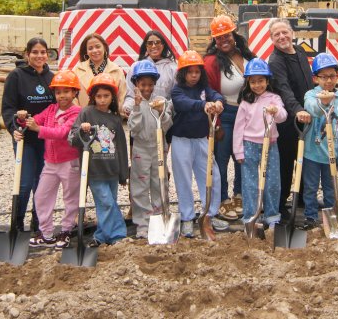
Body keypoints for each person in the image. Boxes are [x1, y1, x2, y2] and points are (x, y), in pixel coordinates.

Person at [15, 70, 82, 249]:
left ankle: (67, 230)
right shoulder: (51, 110)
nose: (62, 96)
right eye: (58, 92)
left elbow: (62, 133)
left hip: (70, 162)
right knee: (41, 196)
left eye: (67, 91)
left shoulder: (76, 113)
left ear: (75, 92)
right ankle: (46, 233)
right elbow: (35, 120)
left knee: (71, 198)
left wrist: (38, 129)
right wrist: (24, 120)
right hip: (50, 163)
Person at [168, 50, 229, 238]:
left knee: (213, 176)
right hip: (181, 140)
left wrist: (218, 102)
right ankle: (187, 217)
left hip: (202, 139)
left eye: (197, 72)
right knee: (183, 179)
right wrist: (203, 105)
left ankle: (210, 214)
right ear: (182, 73)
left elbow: (217, 95)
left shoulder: (205, 89)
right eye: (189, 72)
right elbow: (183, 103)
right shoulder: (177, 90)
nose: (194, 76)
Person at [204, 15, 256, 221]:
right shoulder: (211, 62)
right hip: (225, 114)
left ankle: (240, 196)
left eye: (227, 35)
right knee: (222, 159)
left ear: (234, 35)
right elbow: (207, 89)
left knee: (243, 158)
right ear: (214, 41)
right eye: (219, 38)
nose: (223, 40)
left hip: (247, 114)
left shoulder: (246, 56)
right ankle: (223, 199)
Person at [1, 37, 55, 232]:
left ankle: (38, 221)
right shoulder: (16, 76)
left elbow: (58, 107)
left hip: (46, 139)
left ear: (47, 55)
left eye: (43, 52)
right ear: (27, 54)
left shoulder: (52, 78)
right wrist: (13, 126)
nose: (39, 56)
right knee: (24, 183)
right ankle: (17, 223)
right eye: (35, 52)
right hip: (25, 139)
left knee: (42, 184)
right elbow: (8, 108)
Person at [69, 73, 129, 247]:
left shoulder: (115, 119)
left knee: (107, 205)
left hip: (112, 171)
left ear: (113, 97)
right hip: (94, 171)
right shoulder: (86, 113)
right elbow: (72, 139)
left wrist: (123, 173)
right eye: (99, 96)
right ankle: (118, 235)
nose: (102, 100)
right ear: (93, 97)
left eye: (106, 96)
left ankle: (102, 236)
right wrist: (82, 130)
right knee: (107, 203)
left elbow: (121, 148)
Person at [267, 19, 314, 221]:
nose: (282, 37)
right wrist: (299, 110)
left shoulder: (300, 52)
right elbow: (284, 90)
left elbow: (309, 84)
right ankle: (280, 203)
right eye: (276, 35)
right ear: (271, 39)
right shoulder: (276, 61)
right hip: (289, 120)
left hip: (306, 117)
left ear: (292, 33)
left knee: (304, 160)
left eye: (284, 32)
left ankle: (303, 197)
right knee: (286, 163)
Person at [232, 58, 287, 229]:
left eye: (261, 81)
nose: (257, 85)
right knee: (250, 182)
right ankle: (250, 216)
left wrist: (275, 111)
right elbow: (238, 129)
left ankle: (272, 215)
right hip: (249, 145)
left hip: (270, 144)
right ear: (248, 82)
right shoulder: (245, 102)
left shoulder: (274, 98)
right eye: (253, 82)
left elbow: (283, 116)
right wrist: (238, 152)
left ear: (267, 81)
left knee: (272, 181)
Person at [302, 53, 338, 230]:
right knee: (310, 187)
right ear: (315, 78)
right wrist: (323, 103)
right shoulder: (311, 95)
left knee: (331, 189)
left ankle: (332, 216)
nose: (328, 81)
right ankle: (310, 216)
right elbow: (312, 109)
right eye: (323, 77)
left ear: (337, 77)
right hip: (312, 154)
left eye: (332, 76)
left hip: (332, 156)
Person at [123, 60, 173, 239]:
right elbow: (134, 129)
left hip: (159, 147)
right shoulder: (132, 104)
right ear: (136, 84)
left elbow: (167, 125)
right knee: (140, 187)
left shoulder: (161, 101)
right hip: (141, 149)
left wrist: (162, 112)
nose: (147, 88)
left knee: (160, 183)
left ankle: (160, 218)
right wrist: (136, 107)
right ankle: (143, 223)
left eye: (150, 84)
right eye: (143, 84)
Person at [123, 30, 177, 113]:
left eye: (157, 42)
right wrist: (127, 107)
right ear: (146, 46)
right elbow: (130, 93)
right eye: (150, 43)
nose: (154, 46)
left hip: (163, 116)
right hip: (141, 115)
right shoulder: (135, 67)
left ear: (163, 44)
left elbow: (176, 95)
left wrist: (166, 108)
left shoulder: (172, 68)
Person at [73, 33, 126, 108]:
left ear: (104, 47)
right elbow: (72, 97)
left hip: (110, 117)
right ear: (86, 51)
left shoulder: (117, 70)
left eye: (98, 47)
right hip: (84, 118)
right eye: (90, 48)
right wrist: (81, 116)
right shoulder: (77, 70)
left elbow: (121, 98)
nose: (94, 50)